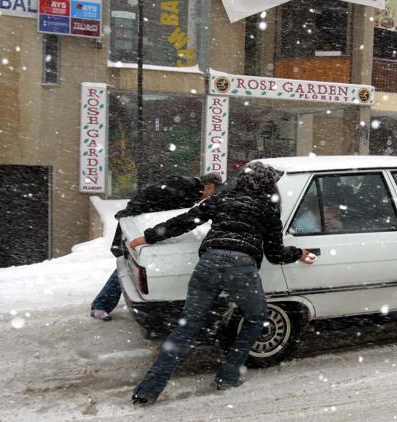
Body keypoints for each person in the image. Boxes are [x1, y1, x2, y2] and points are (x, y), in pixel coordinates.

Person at [128, 162, 315, 405]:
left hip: (209, 263)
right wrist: (299, 253)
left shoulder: (223, 198)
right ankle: (228, 375)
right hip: (242, 268)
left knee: (187, 328)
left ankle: (148, 390)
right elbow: (275, 253)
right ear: (270, 185)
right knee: (257, 318)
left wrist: (150, 236)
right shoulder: (267, 209)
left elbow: (188, 219)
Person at [90, 172, 223, 321]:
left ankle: (101, 305)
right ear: (210, 186)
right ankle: (101, 305)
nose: (208, 198)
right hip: (139, 227)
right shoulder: (188, 190)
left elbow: (153, 201)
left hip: (137, 223)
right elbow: (173, 218)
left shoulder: (187, 185)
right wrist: (151, 234)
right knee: (129, 267)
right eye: (213, 193)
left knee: (127, 268)